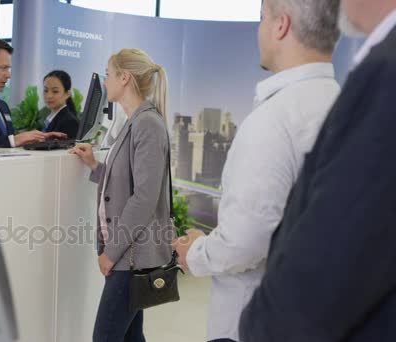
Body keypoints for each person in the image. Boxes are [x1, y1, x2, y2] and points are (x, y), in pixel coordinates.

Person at [171, 0, 341, 341]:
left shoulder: (274, 120)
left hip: (251, 323)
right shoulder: (343, 103)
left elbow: (245, 242)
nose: (259, 29)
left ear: (281, 26)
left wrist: (197, 253)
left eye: (262, 18)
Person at [239, 0, 396, 340]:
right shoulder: (340, 89)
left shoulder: (385, 74)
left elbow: (318, 282)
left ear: (280, 25)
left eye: (261, 17)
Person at [69, 49, 173, 342]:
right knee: (130, 336)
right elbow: (125, 184)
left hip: (131, 256)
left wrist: (110, 252)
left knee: (105, 337)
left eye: (108, 73)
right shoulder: (133, 122)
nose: (105, 80)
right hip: (128, 254)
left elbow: (144, 198)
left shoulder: (147, 124)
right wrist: (94, 166)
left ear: (124, 78)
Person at [42, 70, 80, 139]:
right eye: (46, 90)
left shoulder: (69, 122)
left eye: (55, 91)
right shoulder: (50, 118)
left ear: (67, 94)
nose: (49, 96)